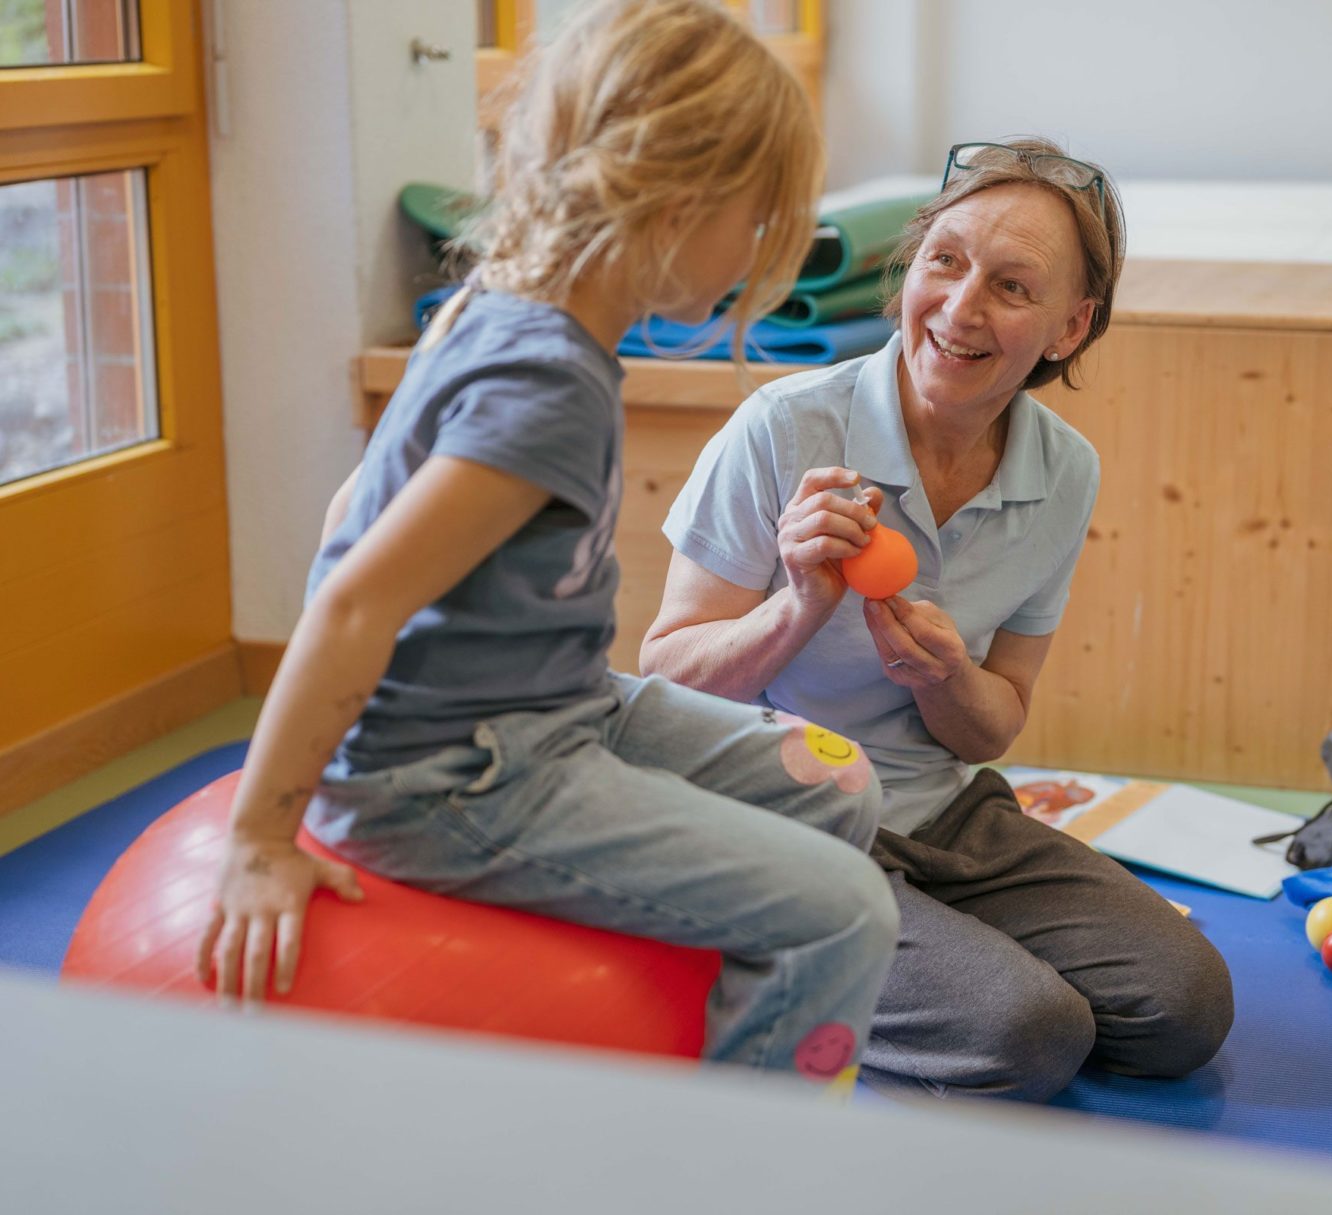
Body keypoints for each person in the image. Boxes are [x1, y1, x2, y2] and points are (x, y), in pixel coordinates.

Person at [193, 0, 899, 1088]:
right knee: (845, 913)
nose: (757, 252)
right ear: (676, 201)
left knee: (838, 783)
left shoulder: (495, 302)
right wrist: (262, 835)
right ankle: (750, 1165)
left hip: (546, 705)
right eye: (755, 221)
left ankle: (724, 1008)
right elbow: (353, 601)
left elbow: (350, 512)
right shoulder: (547, 384)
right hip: (455, 777)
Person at [643, 138, 1234, 1101]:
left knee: (1185, 1005)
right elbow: (663, 679)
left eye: (1011, 286)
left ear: (1069, 327)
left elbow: (998, 721)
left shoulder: (1064, 470)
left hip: (942, 812)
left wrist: (945, 678)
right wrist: (796, 609)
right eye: (945, 261)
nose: (960, 310)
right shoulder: (786, 428)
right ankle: (752, 943)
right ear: (910, 268)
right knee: (1025, 1032)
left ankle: (897, 951)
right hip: (781, 809)